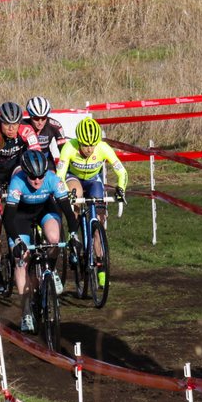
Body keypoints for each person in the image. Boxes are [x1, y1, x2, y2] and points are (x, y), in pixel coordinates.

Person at [4, 149, 77, 333]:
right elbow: (8, 219)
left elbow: (68, 213)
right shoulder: (17, 182)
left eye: (40, 177)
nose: (37, 181)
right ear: (25, 173)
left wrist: (74, 236)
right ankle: (26, 311)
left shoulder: (53, 180)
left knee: (54, 239)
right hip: (21, 216)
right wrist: (17, 241)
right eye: (32, 177)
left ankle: (50, 271)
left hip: (45, 210)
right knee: (21, 262)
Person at [55, 116, 128, 289]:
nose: (89, 149)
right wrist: (66, 193)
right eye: (85, 145)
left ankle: (101, 268)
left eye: (92, 145)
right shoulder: (69, 147)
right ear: (78, 141)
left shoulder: (103, 147)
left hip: (94, 181)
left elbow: (122, 172)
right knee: (76, 194)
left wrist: (121, 188)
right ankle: (74, 238)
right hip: (73, 179)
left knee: (99, 224)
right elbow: (60, 175)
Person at [0, 101, 39, 286]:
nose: (12, 128)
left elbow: (36, 156)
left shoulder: (26, 131)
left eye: (16, 123)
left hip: (15, 172)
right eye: (7, 124)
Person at [24, 96, 65, 170]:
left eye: (43, 118)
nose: (40, 122)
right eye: (36, 118)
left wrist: (62, 165)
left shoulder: (55, 125)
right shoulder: (22, 125)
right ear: (30, 116)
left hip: (46, 159)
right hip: (26, 159)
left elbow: (64, 149)